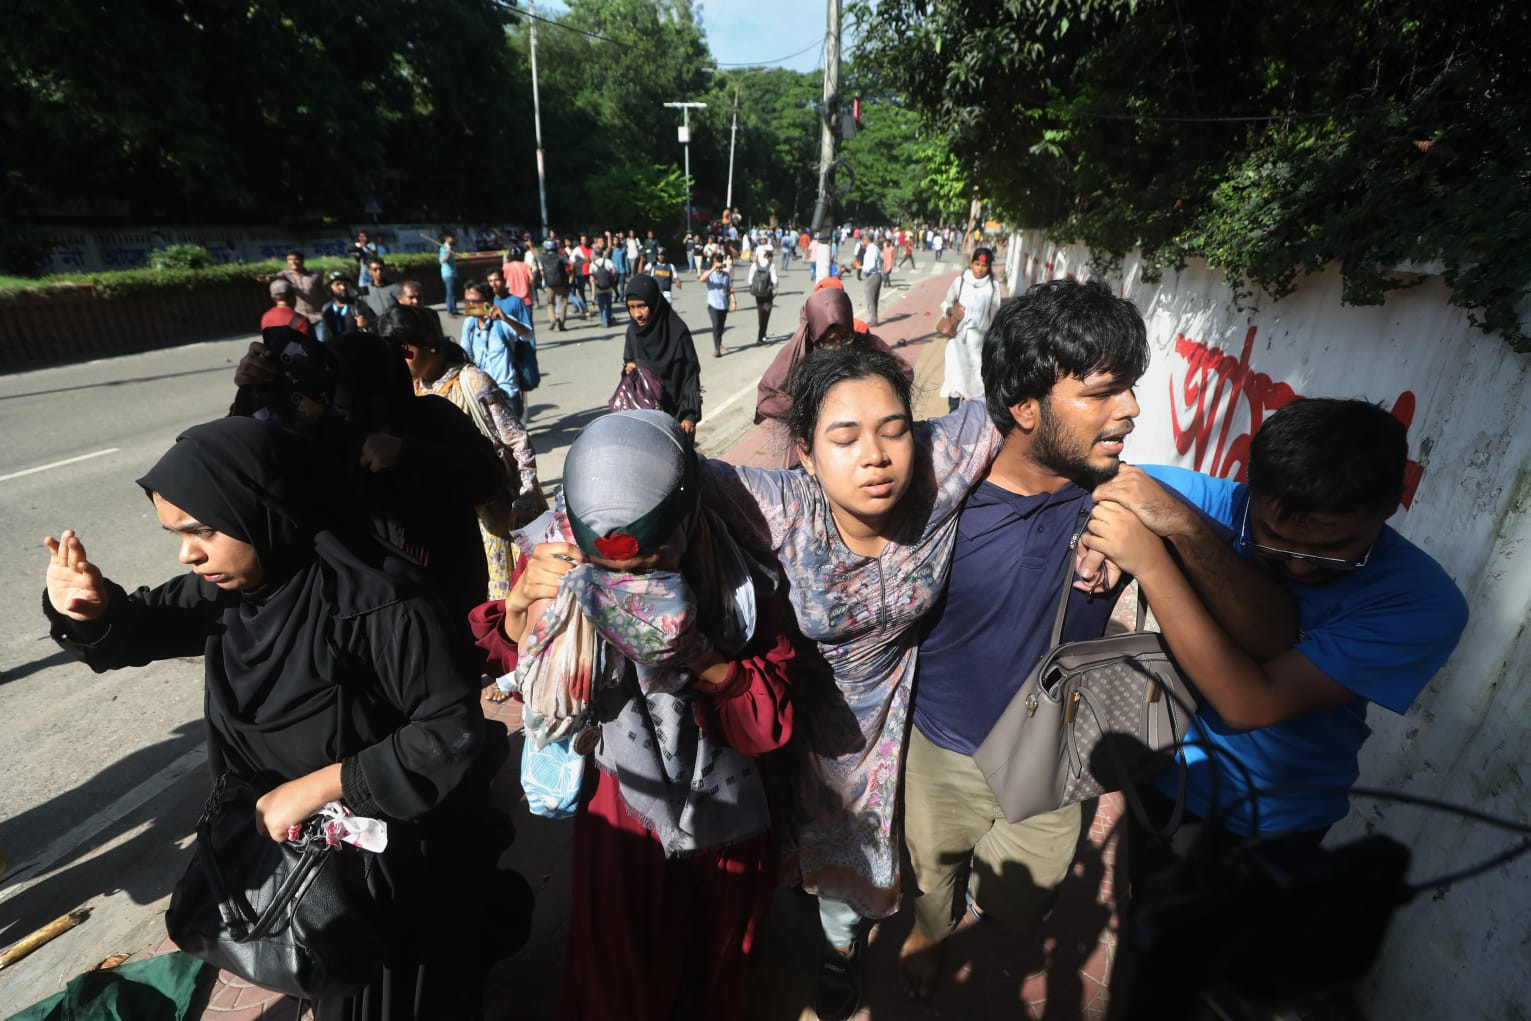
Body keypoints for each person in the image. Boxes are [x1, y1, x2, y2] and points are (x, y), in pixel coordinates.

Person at [42, 417, 531, 1021]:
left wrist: (316, 788)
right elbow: (141, 624)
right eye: (176, 533)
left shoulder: (379, 602)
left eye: (203, 531)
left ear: (260, 509)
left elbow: (447, 733)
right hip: (300, 863)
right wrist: (90, 609)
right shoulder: (234, 594)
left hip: (395, 870)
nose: (188, 554)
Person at [895, 278, 1255, 1000]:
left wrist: (1158, 527)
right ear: (1024, 407)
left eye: (1129, 387)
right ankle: (930, 930)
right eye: (1102, 391)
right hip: (939, 744)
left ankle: (980, 910)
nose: (1130, 408)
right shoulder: (934, 497)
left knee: (1017, 901)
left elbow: (1265, 628)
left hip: (1059, 749)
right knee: (929, 872)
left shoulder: (1122, 495)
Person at [700, 346, 1003, 1020]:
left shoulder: (939, 468)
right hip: (796, 717)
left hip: (904, 711)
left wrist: (1099, 512)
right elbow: (653, 468)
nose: (875, 455)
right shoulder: (779, 506)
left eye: (893, 428)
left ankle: (840, 949)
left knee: (865, 844)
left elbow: (1028, 408)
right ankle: (822, 934)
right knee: (790, 839)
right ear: (805, 452)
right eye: (844, 437)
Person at [471, 410, 796, 1020]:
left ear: (687, 522)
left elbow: (764, 720)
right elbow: (527, 668)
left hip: (721, 806)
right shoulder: (556, 555)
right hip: (618, 805)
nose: (627, 587)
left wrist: (697, 655)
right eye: (610, 574)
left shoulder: (735, 580)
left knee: (714, 962)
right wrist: (519, 607)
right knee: (624, 971)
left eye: (648, 569)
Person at [1078, 398, 1470, 858]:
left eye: (1333, 549)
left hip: (1267, 822)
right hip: (1147, 771)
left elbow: (1250, 703)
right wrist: (1099, 528)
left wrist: (1155, 560)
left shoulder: (1420, 601)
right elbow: (1098, 485)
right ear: (1253, 491)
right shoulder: (1213, 504)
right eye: (1274, 541)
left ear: (1390, 508)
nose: (1301, 567)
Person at [384, 305, 546, 605]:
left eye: (405, 349)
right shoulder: (413, 390)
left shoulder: (471, 381)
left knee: (503, 602)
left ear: (429, 343)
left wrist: (527, 493)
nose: (400, 359)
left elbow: (516, 439)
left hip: (493, 517)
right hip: (447, 519)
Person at [753, 287, 910, 469]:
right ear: (815, 336)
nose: (838, 347)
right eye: (829, 341)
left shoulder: (865, 343)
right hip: (816, 444)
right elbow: (766, 398)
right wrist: (814, 411)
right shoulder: (798, 354)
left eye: (844, 338)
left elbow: (904, 373)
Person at [622, 276, 701, 437]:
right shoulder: (633, 332)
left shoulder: (678, 332)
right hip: (646, 418)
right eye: (631, 307)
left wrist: (690, 415)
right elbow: (627, 368)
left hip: (677, 416)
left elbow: (690, 376)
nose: (637, 314)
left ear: (653, 302)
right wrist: (629, 370)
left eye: (642, 306)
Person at [939, 247, 1005, 412]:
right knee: (955, 382)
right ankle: (953, 416)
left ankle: (971, 421)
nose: (980, 269)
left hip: (979, 345)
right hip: (957, 343)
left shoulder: (993, 287)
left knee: (976, 384)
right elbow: (946, 303)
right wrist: (951, 311)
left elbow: (995, 317)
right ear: (971, 263)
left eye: (984, 265)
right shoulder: (960, 281)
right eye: (977, 264)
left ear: (989, 267)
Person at [459, 281, 533, 418]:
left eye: (473, 301)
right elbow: (465, 354)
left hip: (506, 391)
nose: (468, 306)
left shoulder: (502, 322)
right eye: (466, 301)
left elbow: (528, 335)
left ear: (487, 302)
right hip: (482, 392)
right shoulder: (469, 324)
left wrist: (506, 318)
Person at [700, 252, 735, 358]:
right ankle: (717, 349)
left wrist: (734, 301)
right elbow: (701, 279)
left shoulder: (726, 275)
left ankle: (719, 343)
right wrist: (713, 269)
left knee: (721, 326)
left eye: (719, 261)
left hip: (724, 304)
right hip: (713, 304)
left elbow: (730, 289)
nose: (718, 264)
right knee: (716, 326)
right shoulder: (709, 274)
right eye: (716, 262)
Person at [536, 239, 572, 331]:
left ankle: (552, 319)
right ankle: (561, 324)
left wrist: (531, 246)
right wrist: (570, 274)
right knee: (563, 302)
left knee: (550, 303)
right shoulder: (560, 256)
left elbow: (535, 254)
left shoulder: (542, 257)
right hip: (562, 283)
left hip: (550, 284)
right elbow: (571, 263)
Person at [321, 270, 368, 340]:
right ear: (330, 287)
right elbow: (326, 334)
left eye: (345, 284)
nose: (343, 288)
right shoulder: (327, 308)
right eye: (338, 284)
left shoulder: (358, 305)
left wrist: (366, 326)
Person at [747, 245, 779, 345]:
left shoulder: (755, 264)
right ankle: (760, 336)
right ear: (769, 257)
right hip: (767, 293)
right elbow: (775, 280)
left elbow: (749, 280)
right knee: (766, 314)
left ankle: (763, 333)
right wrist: (774, 288)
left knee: (760, 313)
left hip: (757, 293)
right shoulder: (771, 265)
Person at [361, 258, 402, 323]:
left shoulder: (395, 287)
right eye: (375, 270)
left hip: (393, 324)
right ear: (369, 271)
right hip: (375, 325)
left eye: (381, 269)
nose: (379, 272)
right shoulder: (365, 289)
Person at [588, 243, 619, 327]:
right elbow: (614, 270)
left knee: (602, 305)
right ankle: (609, 319)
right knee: (609, 304)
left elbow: (591, 278)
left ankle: (605, 321)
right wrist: (612, 278)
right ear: (602, 253)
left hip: (599, 288)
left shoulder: (593, 264)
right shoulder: (607, 261)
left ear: (595, 254)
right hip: (608, 287)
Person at [861, 234, 884, 327]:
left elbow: (871, 265)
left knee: (870, 299)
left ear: (867, 239)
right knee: (874, 299)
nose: (862, 240)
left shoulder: (871, 249)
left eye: (863, 239)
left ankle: (873, 320)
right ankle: (874, 319)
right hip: (876, 275)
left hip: (872, 275)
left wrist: (862, 268)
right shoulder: (875, 248)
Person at [439, 231, 459, 317]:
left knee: (454, 292)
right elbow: (442, 260)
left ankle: (454, 309)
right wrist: (448, 253)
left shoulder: (450, 247)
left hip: (453, 273)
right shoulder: (444, 248)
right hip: (447, 273)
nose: (453, 239)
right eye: (451, 237)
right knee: (450, 293)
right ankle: (450, 311)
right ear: (447, 238)